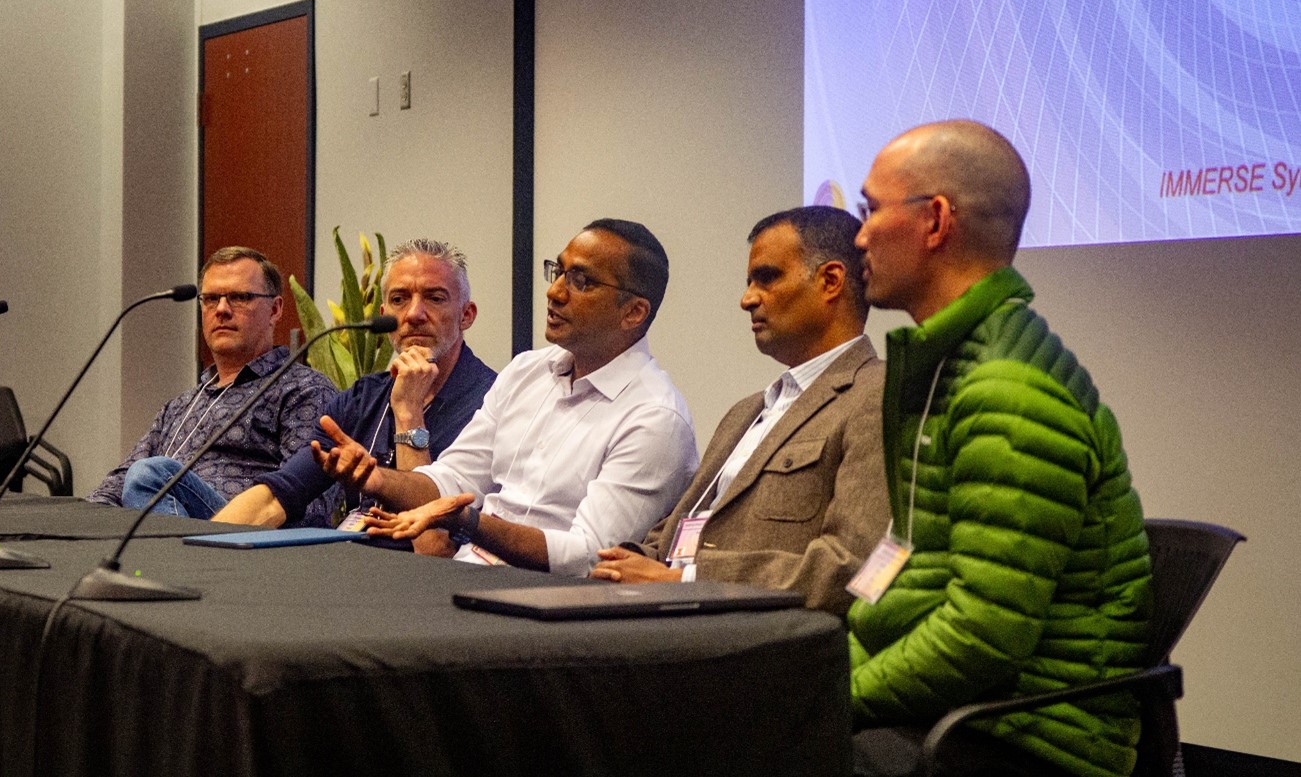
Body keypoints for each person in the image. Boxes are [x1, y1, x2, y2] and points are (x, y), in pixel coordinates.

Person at [847, 120, 1152, 777]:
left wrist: (829, 700)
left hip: (1027, 737)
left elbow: (982, 636)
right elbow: (912, 569)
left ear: (934, 221)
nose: (859, 236)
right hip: (967, 713)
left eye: (870, 211)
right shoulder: (952, 363)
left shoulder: (1006, 391)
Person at [322, 219, 699, 576]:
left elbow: (588, 557)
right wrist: (378, 480)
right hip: (465, 577)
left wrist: (468, 522)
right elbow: (454, 478)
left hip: (548, 602)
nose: (555, 292)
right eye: (559, 272)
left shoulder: (655, 418)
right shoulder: (527, 371)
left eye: (581, 281)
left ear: (633, 312)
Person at [589, 206, 889, 613]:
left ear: (830, 281)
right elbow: (675, 537)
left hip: (754, 635)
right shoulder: (745, 413)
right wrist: (623, 563)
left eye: (767, 278)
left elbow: (855, 567)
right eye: (749, 282)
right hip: (673, 616)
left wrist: (685, 582)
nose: (747, 299)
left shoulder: (876, 395)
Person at [212, 239, 496, 533]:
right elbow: (277, 496)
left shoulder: (491, 402)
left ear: (466, 315)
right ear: (384, 314)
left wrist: (409, 412)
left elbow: (431, 545)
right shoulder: (363, 398)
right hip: (347, 552)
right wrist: (199, 548)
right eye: (399, 300)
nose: (414, 314)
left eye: (435, 298)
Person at [87, 247, 336, 514]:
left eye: (239, 297)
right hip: (168, 526)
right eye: (211, 299)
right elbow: (120, 480)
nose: (222, 309)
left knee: (149, 474)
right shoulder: (180, 406)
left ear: (275, 310)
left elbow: (312, 503)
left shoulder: (304, 390)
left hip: (246, 532)